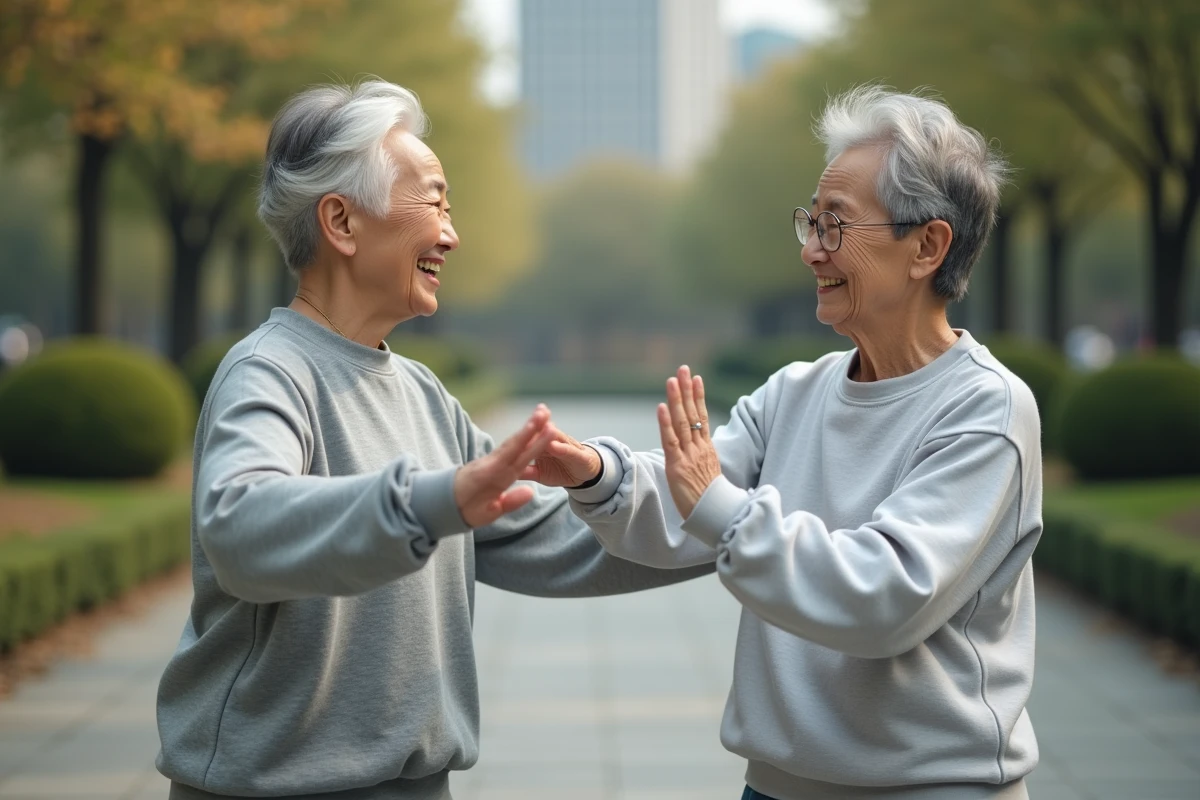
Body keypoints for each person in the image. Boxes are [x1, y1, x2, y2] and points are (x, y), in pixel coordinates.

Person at [154, 80, 711, 800]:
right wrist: (430, 501)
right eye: (435, 202)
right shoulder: (270, 373)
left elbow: (549, 539)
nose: (451, 234)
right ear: (342, 223)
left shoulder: (422, 394)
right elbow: (239, 528)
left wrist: (734, 522)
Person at [537, 87, 1042, 799]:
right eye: (810, 220)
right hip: (773, 787)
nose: (810, 249)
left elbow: (882, 597)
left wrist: (714, 502)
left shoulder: (985, 409)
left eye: (835, 225)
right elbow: (691, 505)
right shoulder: (795, 392)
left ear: (928, 245)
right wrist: (594, 472)